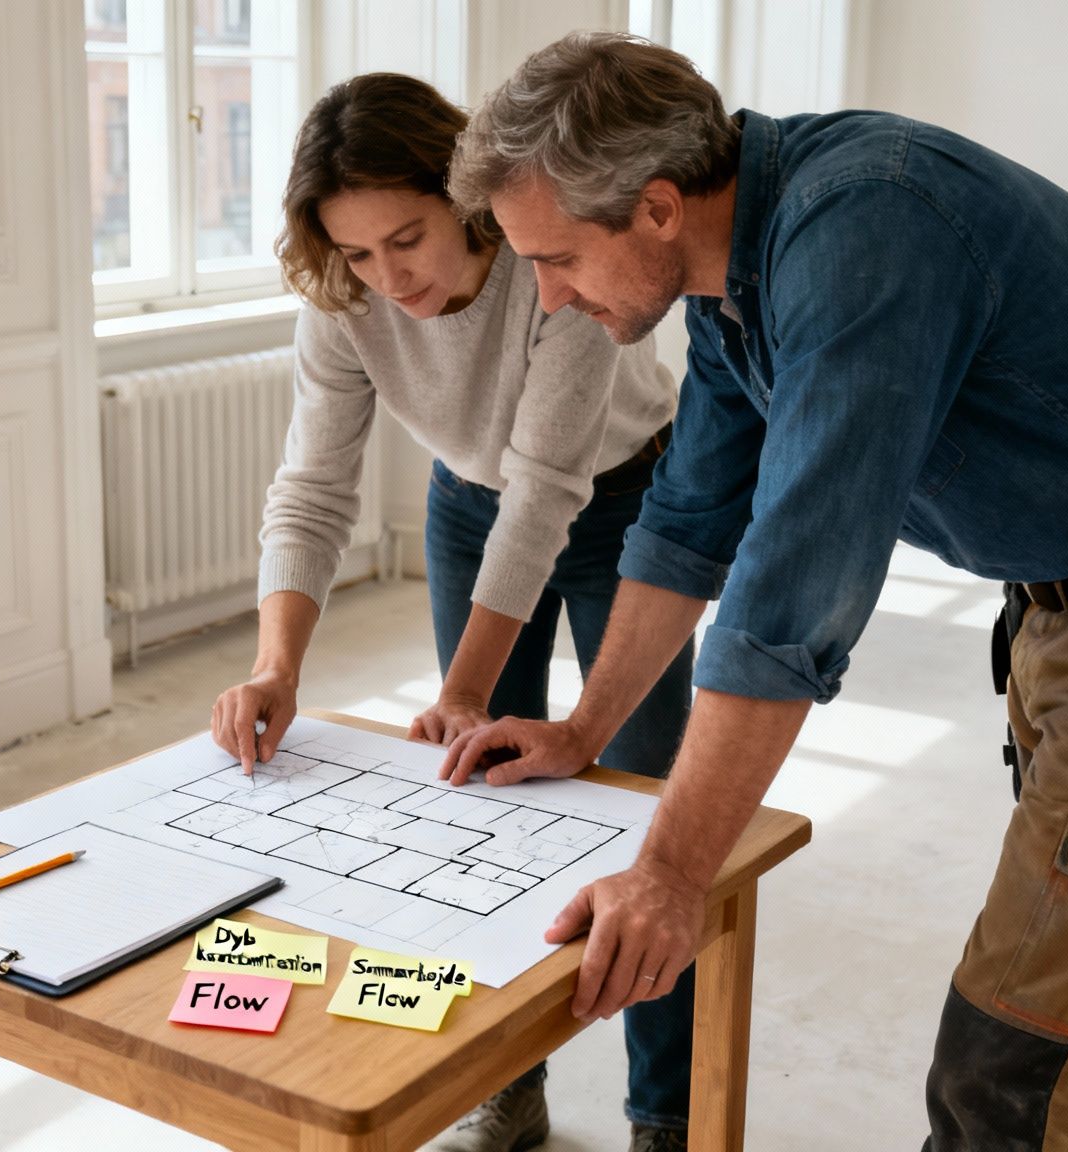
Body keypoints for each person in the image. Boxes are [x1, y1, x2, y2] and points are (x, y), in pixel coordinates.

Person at [439, 31, 1068, 1151]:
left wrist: (667, 874)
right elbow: (688, 524)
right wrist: (580, 729)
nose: (549, 300)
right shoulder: (731, 274)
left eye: (554, 260)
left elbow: (790, 597)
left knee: (1009, 1067)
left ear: (654, 207)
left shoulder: (864, 232)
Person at [207, 72, 695, 1152]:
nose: (388, 277)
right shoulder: (345, 302)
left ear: (465, 199)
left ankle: (666, 1110)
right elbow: (313, 488)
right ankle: (503, 1081)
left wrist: (464, 686)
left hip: (626, 506)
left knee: (651, 828)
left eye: (407, 239)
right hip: (467, 507)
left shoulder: (548, 269)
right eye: (357, 253)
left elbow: (547, 492)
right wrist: (276, 665)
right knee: (475, 803)